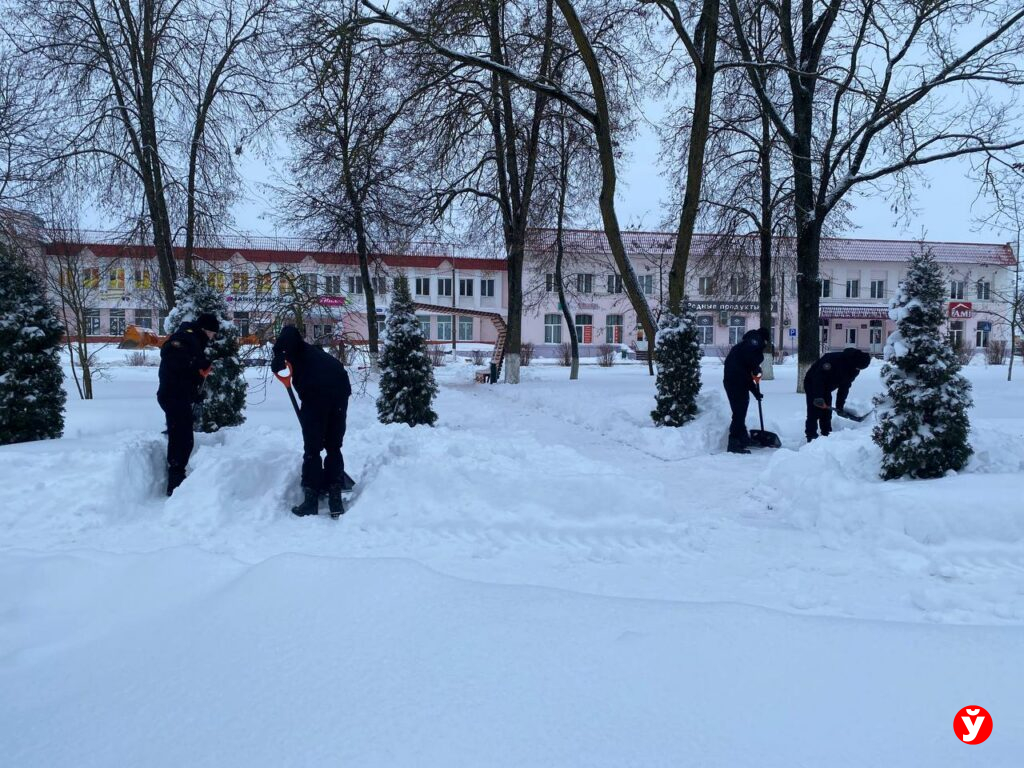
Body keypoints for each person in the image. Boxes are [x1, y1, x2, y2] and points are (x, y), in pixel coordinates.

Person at [271, 325, 352, 517]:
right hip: (340, 393)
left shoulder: (286, 355)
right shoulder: (310, 350)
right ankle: (335, 499)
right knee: (333, 447)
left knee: (312, 450)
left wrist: (278, 361)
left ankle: (311, 500)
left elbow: (281, 365)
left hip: (317, 397)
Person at [157, 313, 218, 495]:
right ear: (207, 330)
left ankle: (177, 476)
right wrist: (197, 363)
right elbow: (173, 358)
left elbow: (185, 374)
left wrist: (194, 390)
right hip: (173, 396)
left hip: (177, 395)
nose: (213, 338)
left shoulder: (192, 339)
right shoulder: (186, 338)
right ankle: (175, 482)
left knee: (182, 435)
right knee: (181, 438)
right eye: (213, 333)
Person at [803, 347, 872, 442]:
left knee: (826, 411)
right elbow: (818, 378)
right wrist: (818, 396)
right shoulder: (832, 360)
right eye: (858, 367)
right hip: (812, 383)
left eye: (859, 368)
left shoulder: (854, 369)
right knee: (814, 411)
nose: (858, 369)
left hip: (827, 387)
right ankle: (811, 436)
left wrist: (840, 406)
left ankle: (826, 434)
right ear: (854, 361)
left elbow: (845, 387)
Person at [722, 328, 771, 454]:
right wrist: (755, 367)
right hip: (735, 382)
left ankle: (743, 438)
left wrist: (755, 392)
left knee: (740, 411)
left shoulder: (746, 345)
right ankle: (733, 442)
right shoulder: (753, 342)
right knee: (739, 412)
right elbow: (748, 362)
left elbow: (745, 372)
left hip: (736, 381)